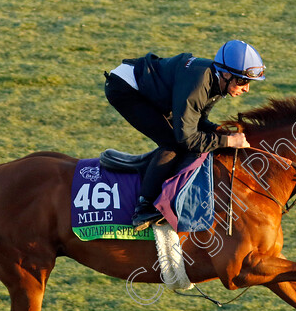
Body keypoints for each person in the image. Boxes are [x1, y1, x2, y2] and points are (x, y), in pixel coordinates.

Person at [104, 40, 265, 230]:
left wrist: (220, 132)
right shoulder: (199, 84)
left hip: (151, 89)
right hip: (125, 88)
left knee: (183, 138)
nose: (246, 88)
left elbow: (198, 121)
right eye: (242, 81)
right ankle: (144, 207)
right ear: (227, 74)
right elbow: (187, 139)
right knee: (173, 143)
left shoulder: (217, 82)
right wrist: (227, 141)